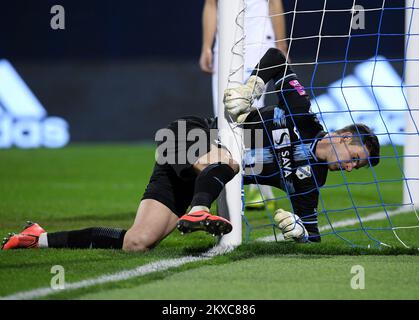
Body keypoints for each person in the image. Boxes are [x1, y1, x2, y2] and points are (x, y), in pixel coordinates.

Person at [2, 48, 380, 251]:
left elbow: (313, 234)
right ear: (345, 138)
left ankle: (38, 237)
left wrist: (299, 232)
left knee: (138, 242)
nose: (351, 168)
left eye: (357, 168)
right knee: (229, 160)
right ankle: (199, 211)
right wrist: (254, 87)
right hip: (187, 136)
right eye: (355, 159)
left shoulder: (311, 182)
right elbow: (277, 59)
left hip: (200, 173)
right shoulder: (304, 115)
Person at [200, 0, 289, 210]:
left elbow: (274, 4)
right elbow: (211, 5)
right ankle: (239, 186)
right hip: (225, 45)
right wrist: (207, 45)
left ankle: (257, 185)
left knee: (250, 116)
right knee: (223, 118)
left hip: (257, 43)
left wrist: (281, 45)